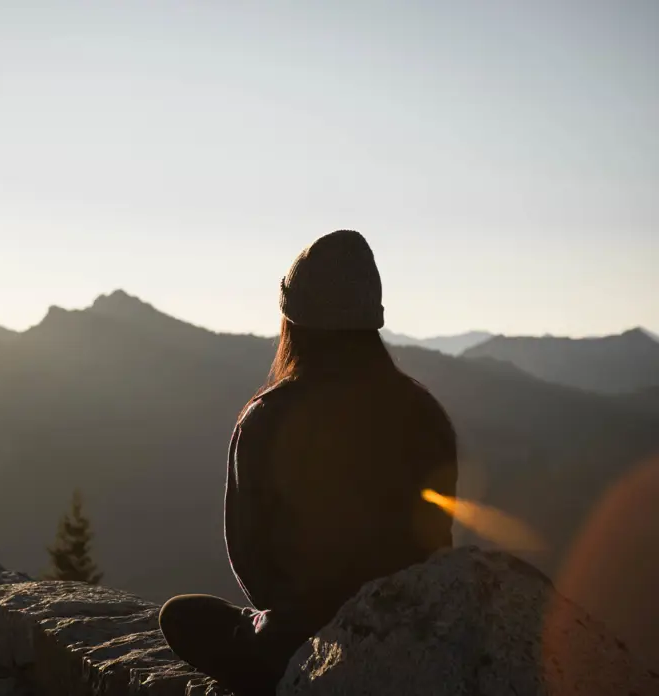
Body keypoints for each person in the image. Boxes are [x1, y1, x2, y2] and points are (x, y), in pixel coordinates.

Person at [158, 230, 458, 695]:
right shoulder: (425, 415)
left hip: (303, 642)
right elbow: (437, 541)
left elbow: (251, 558)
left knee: (182, 616)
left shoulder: (267, 419)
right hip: (411, 630)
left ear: (293, 321)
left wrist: (282, 618)